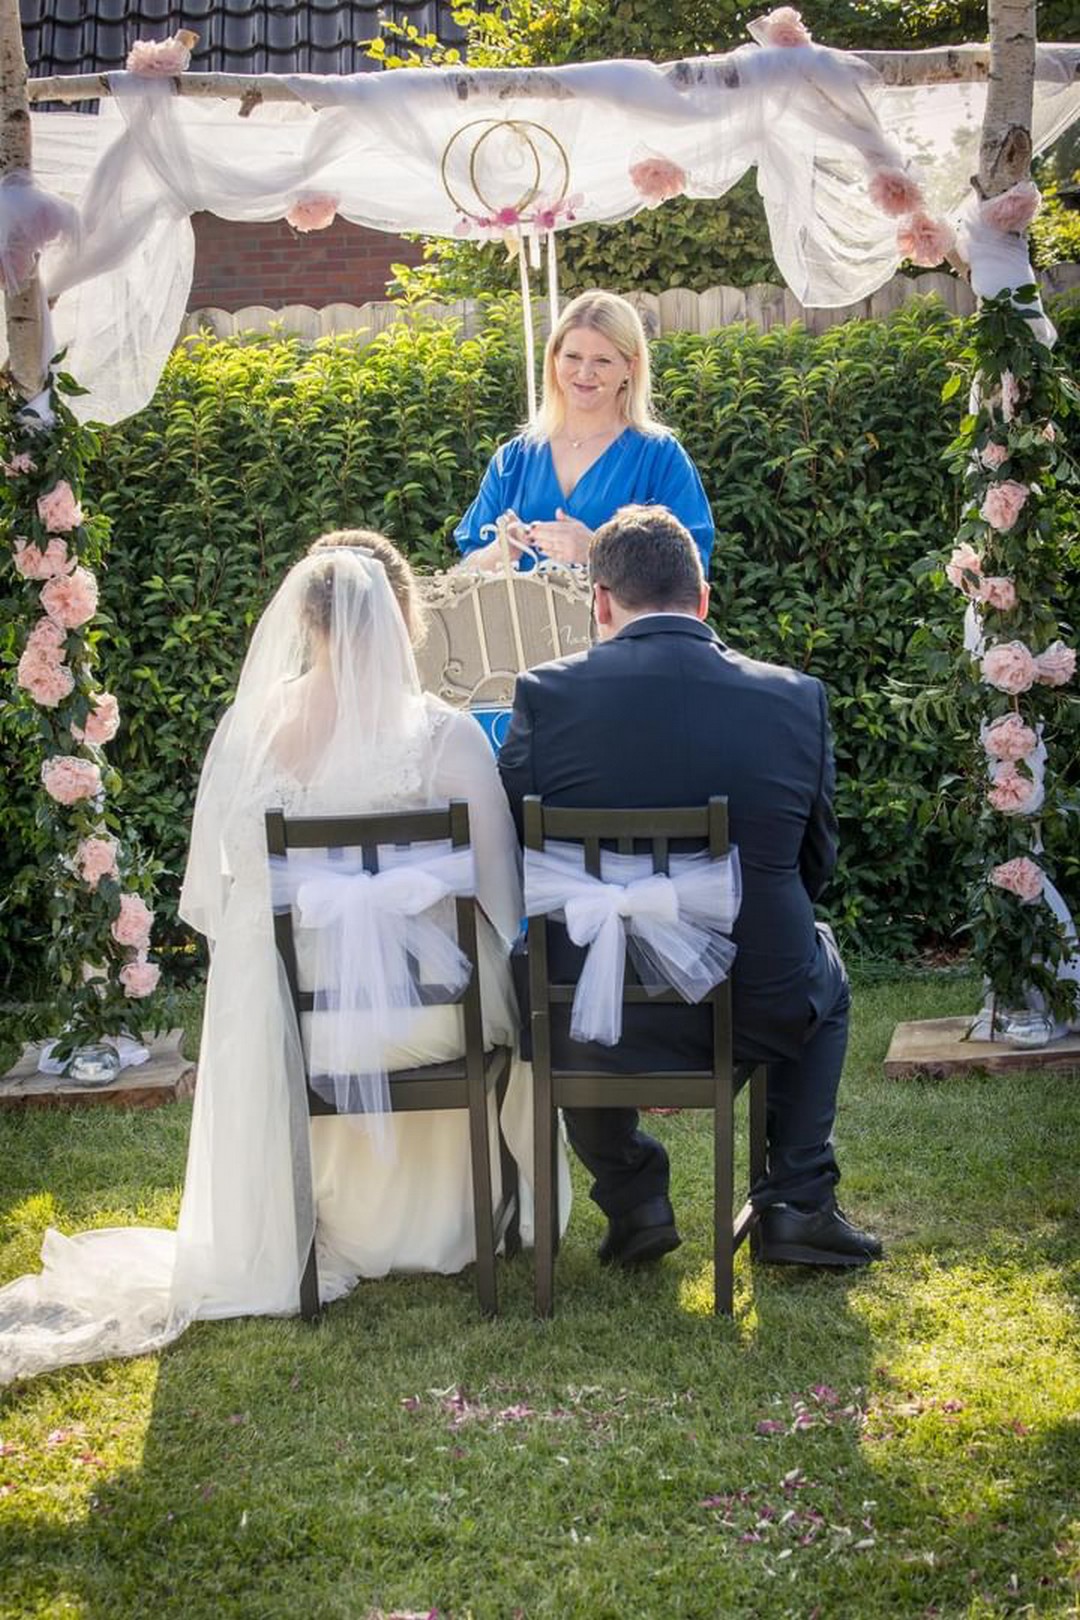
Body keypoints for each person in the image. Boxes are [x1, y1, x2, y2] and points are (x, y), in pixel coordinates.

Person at [0, 531, 568, 1385]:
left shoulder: (252, 731)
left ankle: (328, 1223)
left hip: (296, 1025)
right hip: (429, 1021)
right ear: (408, 617)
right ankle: (493, 1219)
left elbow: (225, 897)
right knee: (519, 1017)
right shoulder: (443, 737)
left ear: (304, 619)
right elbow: (503, 898)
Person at [498, 504, 881, 1271]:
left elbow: (518, 848)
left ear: (600, 602)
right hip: (750, 996)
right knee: (822, 969)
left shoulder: (544, 694)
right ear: (703, 598)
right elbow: (813, 865)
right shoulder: (794, 697)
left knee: (545, 971)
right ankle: (800, 1204)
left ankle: (634, 1196)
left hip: (589, 1008)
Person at [454, 290, 714, 576]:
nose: (585, 372)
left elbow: (691, 573)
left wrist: (595, 550)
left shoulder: (660, 457)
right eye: (573, 357)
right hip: (517, 622)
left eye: (602, 360)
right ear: (554, 359)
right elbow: (462, 573)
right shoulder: (513, 460)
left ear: (630, 366)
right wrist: (501, 550)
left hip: (623, 623)